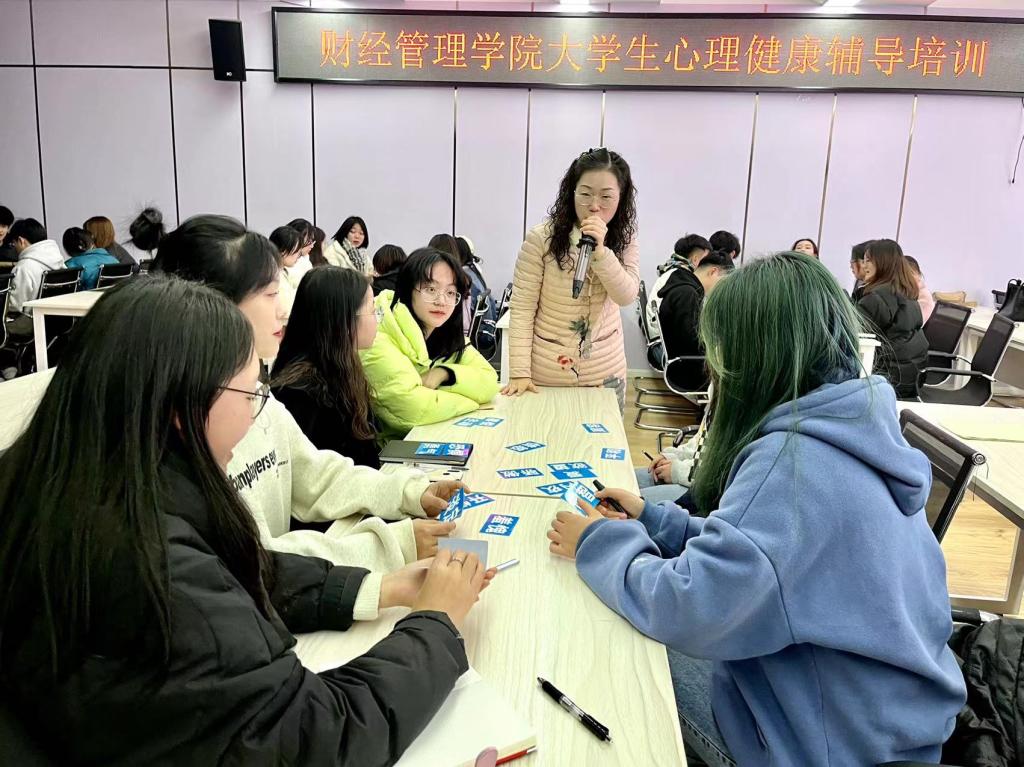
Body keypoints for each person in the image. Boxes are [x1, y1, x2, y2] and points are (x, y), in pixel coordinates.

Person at [0, 275, 489, 765]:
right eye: (249, 393)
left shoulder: (70, 481)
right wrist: (435, 623)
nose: (256, 412)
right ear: (185, 405)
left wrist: (376, 587)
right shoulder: (155, 560)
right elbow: (317, 736)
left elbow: (239, 570)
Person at [546, 252, 966, 767]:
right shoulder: (853, 425)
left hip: (822, 748)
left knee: (622, 640)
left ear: (753, 357)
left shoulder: (793, 463)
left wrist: (596, 541)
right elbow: (765, 555)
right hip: (885, 726)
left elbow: (686, 606)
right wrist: (655, 520)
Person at [154, 215, 465, 621]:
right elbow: (259, 566)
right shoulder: (192, 430)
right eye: (271, 293)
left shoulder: (256, 394)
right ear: (210, 307)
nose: (285, 307)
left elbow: (315, 474)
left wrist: (407, 493)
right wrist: (392, 544)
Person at [503, 147, 640, 409]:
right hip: (548, 369)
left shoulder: (625, 239)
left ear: (621, 198)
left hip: (605, 370)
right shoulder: (541, 238)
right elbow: (522, 308)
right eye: (585, 194)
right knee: (546, 431)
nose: (594, 206)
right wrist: (519, 372)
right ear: (572, 192)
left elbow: (626, 296)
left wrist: (601, 253)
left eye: (606, 197)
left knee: (601, 434)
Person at [361, 247, 499, 438]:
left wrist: (444, 374)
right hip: (391, 450)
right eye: (431, 289)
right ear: (408, 289)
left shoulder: (445, 332)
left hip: (439, 435)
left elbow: (489, 381)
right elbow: (413, 409)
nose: (441, 301)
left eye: (450, 292)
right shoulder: (377, 334)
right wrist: (473, 403)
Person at [272, 267, 384, 469]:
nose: (377, 318)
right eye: (373, 310)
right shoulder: (300, 395)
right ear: (344, 321)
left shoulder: (342, 367)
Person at [857, 239, 928, 399]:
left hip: (888, 378)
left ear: (883, 263)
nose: (864, 266)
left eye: (868, 261)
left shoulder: (877, 298)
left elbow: (853, 333)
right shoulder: (906, 292)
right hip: (912, 376)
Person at [646, 233, 713, 360]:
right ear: (695, 260)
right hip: (663, 348)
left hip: (660, 341)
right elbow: (687, 336)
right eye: (707, 260)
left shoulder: (674, 272)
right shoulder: (684, 287)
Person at [6, 218, 64, 327]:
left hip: (29, 323)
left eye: (14, 244)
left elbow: (14, 306)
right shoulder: (58, 259)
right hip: (57, 320)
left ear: (21, 241)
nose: (15, 248)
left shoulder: (24, 267)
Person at [269, 224, 311, 319]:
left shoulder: (281, 271)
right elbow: (285, 311)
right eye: (296, 250)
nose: (299, 255)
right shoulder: (272, 276)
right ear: (283, 250)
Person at [904, 255, 935, 324]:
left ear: (919, 274)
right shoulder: (907, 292)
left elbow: (910, 323)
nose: (907, 278)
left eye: (911, 273)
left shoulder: (924, 297)